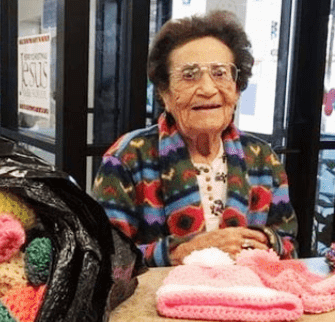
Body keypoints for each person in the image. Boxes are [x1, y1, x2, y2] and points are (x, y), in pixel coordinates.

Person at [91, 10, 297, 266]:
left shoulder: (263, 158)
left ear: (236, 88)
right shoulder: (128, 158)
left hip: (246, 291)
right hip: (160, 293)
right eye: (189, 75)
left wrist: (266, 242)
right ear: (165, 93)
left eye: (220, 73)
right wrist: (181, 252)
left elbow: (290, 246)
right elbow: (105, 256)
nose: (208, 89)